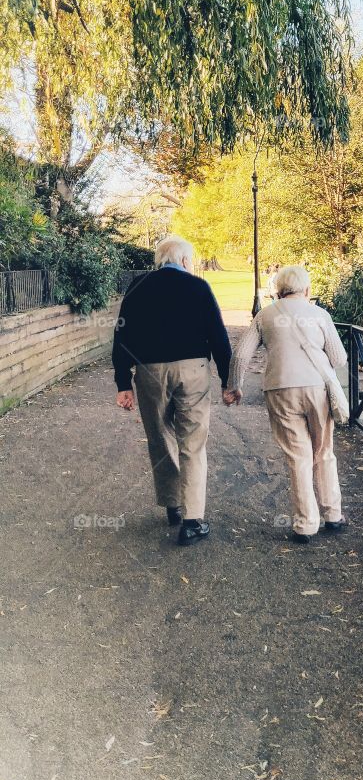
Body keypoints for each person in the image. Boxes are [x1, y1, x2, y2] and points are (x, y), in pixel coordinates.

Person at [112, 234, 232, 546]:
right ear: (183, 260)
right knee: (192, 442)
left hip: (150, 371)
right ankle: (193, 521)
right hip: (193, 370)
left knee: (159, 437)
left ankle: (173, 504)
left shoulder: (137, 287)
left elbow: (121, 336)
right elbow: (218, 335)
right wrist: (228, 381)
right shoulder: (198, 286)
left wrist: (123, 383)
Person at [225, 264, 349, 542]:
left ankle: (305, 524)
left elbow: (241, 356)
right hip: (317, 388)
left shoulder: (265, 315)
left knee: (298, 456)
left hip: (280, 389)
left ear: (278, 291)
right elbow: (339, 359)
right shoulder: (320, 314)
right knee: (324, 451)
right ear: (307, 290)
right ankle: (333, 514)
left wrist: (235, 386)